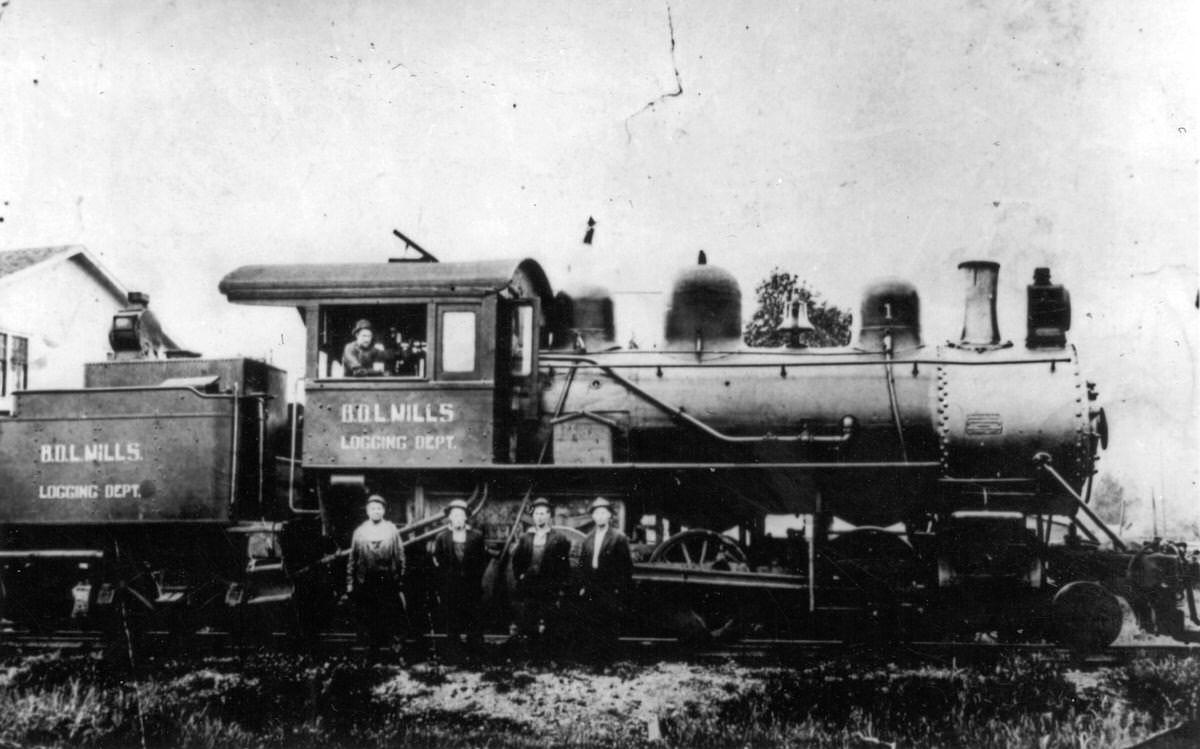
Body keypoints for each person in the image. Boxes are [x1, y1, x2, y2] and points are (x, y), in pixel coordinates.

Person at [345, 494, 406, 657]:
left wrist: (400, 577)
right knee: (370, 618)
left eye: (379, 508)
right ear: (367, 511)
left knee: (392, 617)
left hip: (388, 580)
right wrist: (350, 582)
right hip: (367, 582)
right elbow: (353, 557)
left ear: (384, 511)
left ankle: (396, 653)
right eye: (373, 509)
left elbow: (400, 555)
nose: (376, 511)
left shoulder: (392, 529)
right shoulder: (360, 532)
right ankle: (372, 654)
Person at [509, 497, 572, 649]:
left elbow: (564, 566)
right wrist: (522, 576)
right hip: (530, 587)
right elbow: (517, 561)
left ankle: (547, 655)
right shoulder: (526, 538)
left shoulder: (559, 538)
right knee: (529, 620)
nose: (540, 517)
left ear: (549, 516)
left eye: (543, 513)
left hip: (549, 587)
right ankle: (532, 653)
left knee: (550, 621)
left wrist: (559, 586)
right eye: (537, 514)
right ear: (533, 516)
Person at [577, 497, 633, 658]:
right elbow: (582, 564)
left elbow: (626, 567)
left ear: (609, 515)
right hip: (591, 586)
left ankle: (608, 662)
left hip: (609, 587)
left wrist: (619, 589)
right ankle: (595, 661)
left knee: (609, 624)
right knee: (592, 623)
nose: (600, 516)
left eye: (603, 512)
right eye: (597, 513)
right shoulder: (588, 538)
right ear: (593, 517)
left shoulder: (618, 537)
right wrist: (583, 585)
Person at [431, 498, 488, 655]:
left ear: (466, 517)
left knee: (473, 621)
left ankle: (475, 655)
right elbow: (438, 562)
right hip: (450, 588)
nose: (457, 518)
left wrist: (475, 579)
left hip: (471, 587)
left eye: (461, 515)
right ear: (450, 517)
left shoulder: (476, 536)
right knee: (452, 621)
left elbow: (482, 560)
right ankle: (453, 655)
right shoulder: (442, 538)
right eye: (454, 515)